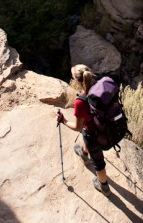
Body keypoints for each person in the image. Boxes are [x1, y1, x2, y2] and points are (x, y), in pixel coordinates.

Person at [56, 64, 111, 197]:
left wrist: (63, 120)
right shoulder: (101, 86)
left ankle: (104, 187)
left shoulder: (81, 102)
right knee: (88, 138)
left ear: (76, 81)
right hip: (106, 127)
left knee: (98, 162)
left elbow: (78, 127)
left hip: (93, 134)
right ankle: (84, 155)